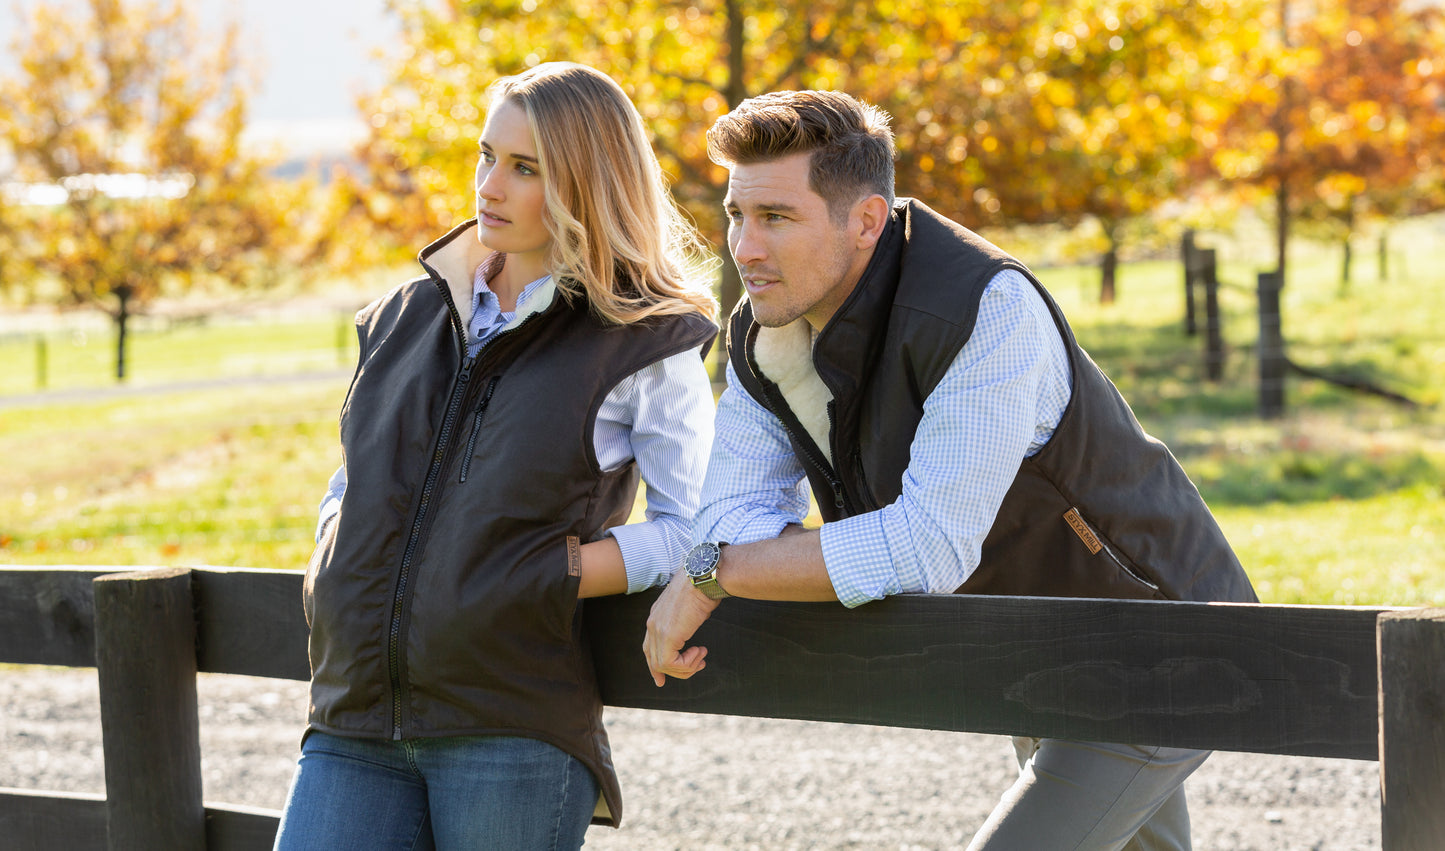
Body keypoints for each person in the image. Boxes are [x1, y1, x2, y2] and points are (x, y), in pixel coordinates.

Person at [643, 89, 1257, 850]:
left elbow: (924, 548)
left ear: (865, 220)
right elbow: (730, 512)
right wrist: (725, 558)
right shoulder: (766, 329)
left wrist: (715, 572)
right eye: (736, 214)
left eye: (775, 217)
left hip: (1154, 641)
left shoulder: (983, 309)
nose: (743, 248)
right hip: (1031, 646)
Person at [275, 62, 719, 851]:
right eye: (487, 156)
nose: (489, 185)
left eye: (526, 169)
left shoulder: (640, 342)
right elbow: (355, 475)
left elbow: (695, 527)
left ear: (587, 182)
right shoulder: (404, 316)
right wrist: (332, 544)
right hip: (351, 714)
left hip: (509, 726)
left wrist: (561, 571)